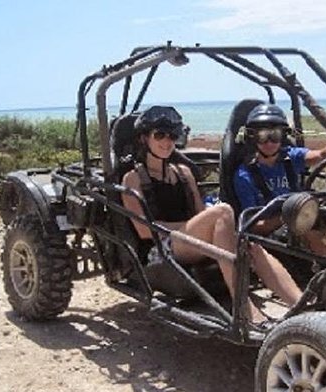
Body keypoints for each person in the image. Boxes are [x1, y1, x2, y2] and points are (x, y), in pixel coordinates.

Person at [121, 106, 302, 325]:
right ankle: (242, 306)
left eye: (172, 135)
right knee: (224, 211)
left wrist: (212, 223)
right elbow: (143, 230)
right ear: (144, 139)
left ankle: (300, 305)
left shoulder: (183, 172)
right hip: (161, 247)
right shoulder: (133, 179)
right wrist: (193, 225)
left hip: (190, 239)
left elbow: (200, 213)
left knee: (249, 245)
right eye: (159, 135)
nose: (167, 142)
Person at [233, 103, 326, 261]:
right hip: (279, 232)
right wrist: (287, 217)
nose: (269, 142)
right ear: (253, 138)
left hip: (307, 213)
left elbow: (317, 155)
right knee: (309, 228)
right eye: (262, 136)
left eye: (275, 135)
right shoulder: (245, 176)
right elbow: (253, 226)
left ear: (283, 136)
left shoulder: (289, 157)